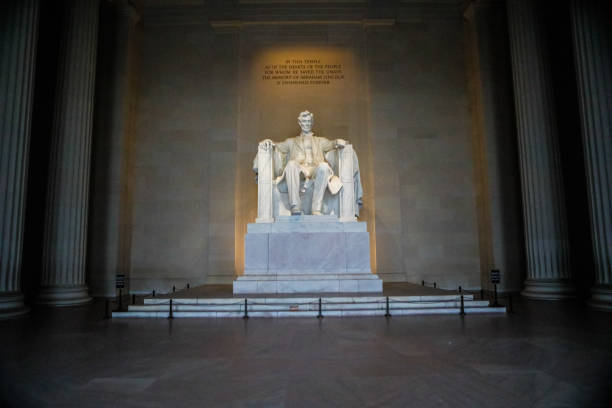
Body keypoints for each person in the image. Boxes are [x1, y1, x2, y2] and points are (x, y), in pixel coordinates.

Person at [259, 110, 347, 215]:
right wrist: (268, 142)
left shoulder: (320, 140)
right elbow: (277, 146)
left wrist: (338, 142)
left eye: (309, 121)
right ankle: (295, 206)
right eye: (304, 121)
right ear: (300, 123)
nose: (307, 124)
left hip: (315, 169)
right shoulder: (291, 141)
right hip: (300, 170)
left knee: (324, 166)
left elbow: (331, 144)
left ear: (312, 122)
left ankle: (316, 208)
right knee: (291, 164)